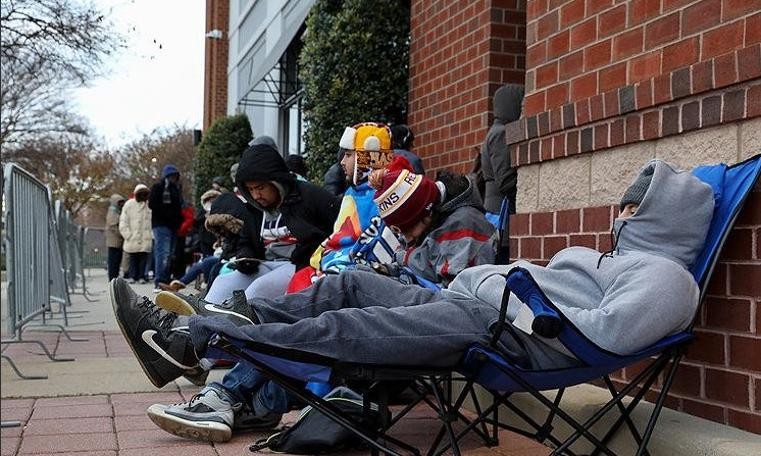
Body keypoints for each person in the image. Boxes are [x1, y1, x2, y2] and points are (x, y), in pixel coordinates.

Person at [111, 159, 714, 442]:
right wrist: (491, 283)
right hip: (470, 301)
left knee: (354, 324)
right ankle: (196, 337)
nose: (622, 213)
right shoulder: (602, 259)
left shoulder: (668, 278)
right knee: (344, 284)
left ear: (663, 216)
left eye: (635, 205)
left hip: (503, 331)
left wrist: (508, 294)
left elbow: (601, 334)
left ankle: (203, 340)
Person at [183, 140, 340, 304]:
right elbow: (246, 241)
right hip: (263, 264)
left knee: (256, 291)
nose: (256, 195)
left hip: (299, 266)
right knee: (224, 282)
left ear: (276, 182)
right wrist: (246, 256)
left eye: (260, 188)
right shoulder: (253, 209)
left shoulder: (309, 196)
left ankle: (231, 326)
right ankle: (196, 323)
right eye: (250, 189)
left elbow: (341, 225)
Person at [160, 190, 221, 292]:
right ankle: (177, 285)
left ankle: (206, 286)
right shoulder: (203, 210)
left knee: (206, 263)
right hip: (205, 241)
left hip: (218, 245)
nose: (211, 201)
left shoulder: (222, 211)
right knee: (202, 262)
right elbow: (196, 222)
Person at [480, 84, 524, 219]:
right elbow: (505, 180)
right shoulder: (502, 132)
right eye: (521, 106)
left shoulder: (496, 130)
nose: (523, 112)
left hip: (496, 209)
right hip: (501, 211)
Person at [149, 164, 183, 292]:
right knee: (163, 254)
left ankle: (165, 280)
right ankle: (159, 281)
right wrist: (167, 215)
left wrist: (178, 221)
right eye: (171, 176)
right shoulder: (158, 188)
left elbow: (179, 208)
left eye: (175, 176)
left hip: (173, 226)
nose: (173, 178)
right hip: (161, 225)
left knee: (170, 255)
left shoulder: (176, 189)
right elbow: (152, 204)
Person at [119, 184, 152, 283]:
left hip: (145, 237)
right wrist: (128, 235)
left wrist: (151, 235)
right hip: (132, 236)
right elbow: (123, 221)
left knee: (143, 258)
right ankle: (133, 276)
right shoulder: (129, 204)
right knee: (133, 258)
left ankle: (142, 276)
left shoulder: (149, 205)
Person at [105, 194, 126, 281]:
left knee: (117, 260)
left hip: (117, 240)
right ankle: (112, 277)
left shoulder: (118, 211)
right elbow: (113, 225)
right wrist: (122, 234)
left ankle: (115, 276)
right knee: (113, 260)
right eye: (120, 202)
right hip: (114, 240)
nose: (121, 204)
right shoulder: (112, 211)